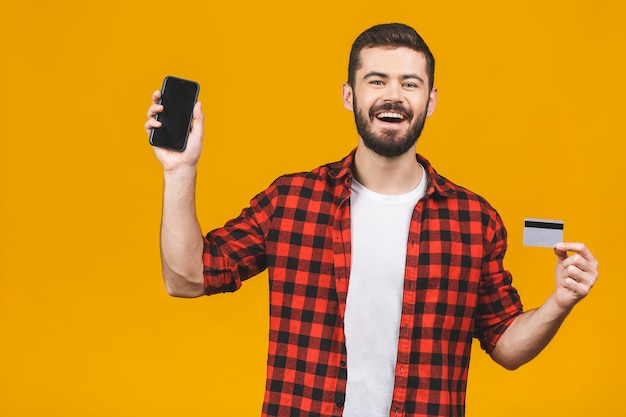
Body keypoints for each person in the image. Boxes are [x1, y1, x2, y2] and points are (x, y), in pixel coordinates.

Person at [144, 23, 599, 417]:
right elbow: (187, 278)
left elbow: (507, 346)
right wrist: (180, 170)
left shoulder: (473, 222)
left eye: (410, 83)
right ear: (350, 94)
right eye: (376, 80)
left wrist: (560, 301)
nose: (393, 96)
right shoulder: (291, 201)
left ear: (431, 99)